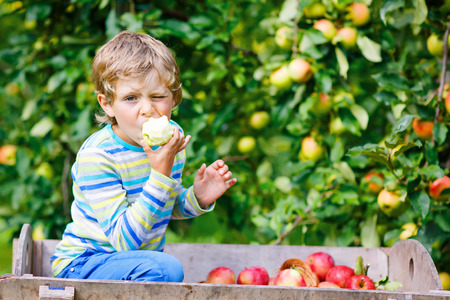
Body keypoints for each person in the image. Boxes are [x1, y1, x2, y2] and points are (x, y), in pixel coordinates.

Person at [50, 31, 237, 282]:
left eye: (158, 96)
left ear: (174, 99)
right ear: (107, 104)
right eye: (130, 98)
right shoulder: (98, 156)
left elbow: (159, 207)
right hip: (84, 263)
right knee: (164, 270)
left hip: (135, 264)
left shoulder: (172, 139)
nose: (148, 110)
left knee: (160, 268)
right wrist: (160, 174)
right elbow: (124, 240)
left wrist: (197, 198)